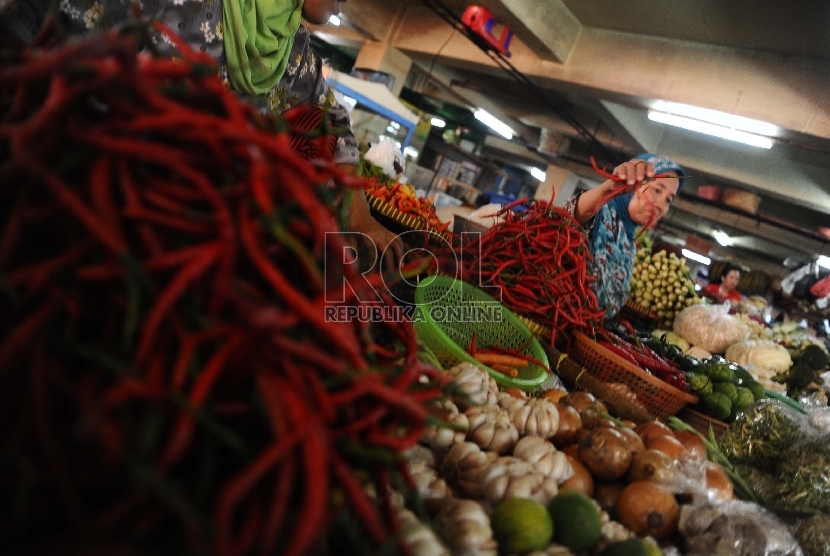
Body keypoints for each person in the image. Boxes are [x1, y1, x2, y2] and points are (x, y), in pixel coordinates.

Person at [1, 0, 404, 268]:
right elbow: (27, 29)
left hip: (170, 248)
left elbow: (330, 119)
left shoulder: (289, 47)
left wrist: (359, 215)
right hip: (60, 214)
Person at [564, 153, 686, 320]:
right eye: (657, 190)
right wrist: (608, 189)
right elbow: (569, 219)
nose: (660, 205)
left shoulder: (629, 241)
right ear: (635, 184)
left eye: (668, 200)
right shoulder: (602, 212)